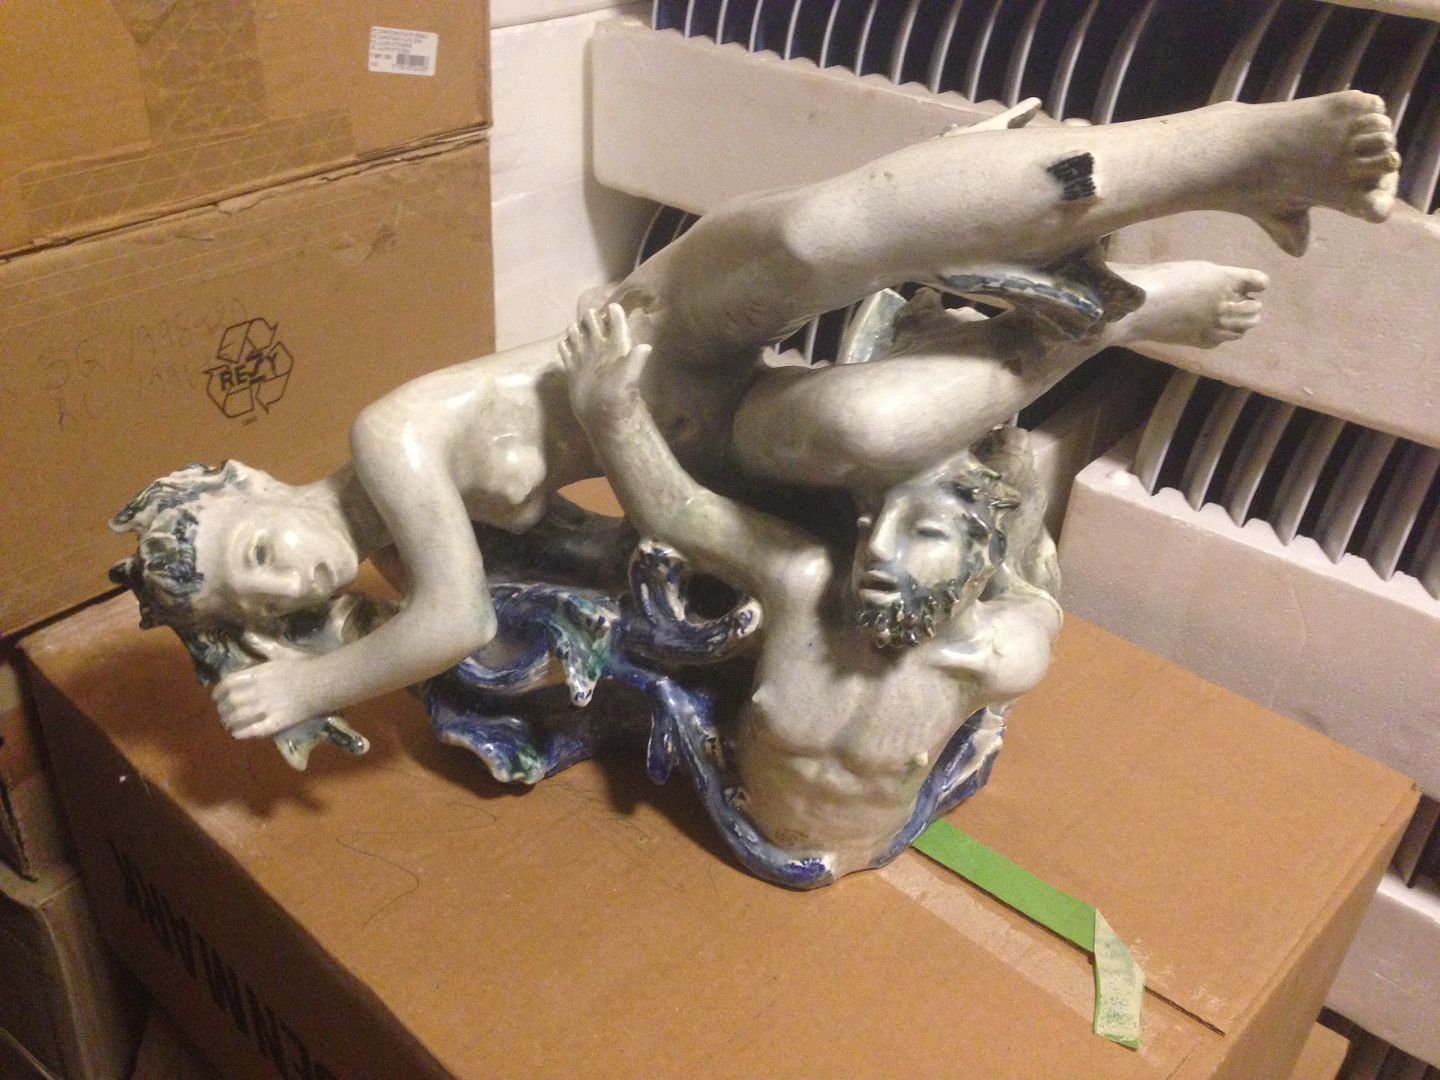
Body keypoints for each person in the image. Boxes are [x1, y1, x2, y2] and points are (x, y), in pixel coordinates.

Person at [108, 91, 1399, 744]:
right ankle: (1117, 312)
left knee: (823, 235)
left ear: (252, 477)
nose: (289, 580)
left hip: (658, 328)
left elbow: (453, 622)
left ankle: (1241, 150)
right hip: (686, 440)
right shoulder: (393, 553)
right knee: (869, 436)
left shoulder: (388, 441)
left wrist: (311, 682)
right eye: (261, 604)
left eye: (253, 548)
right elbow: (523, 595)